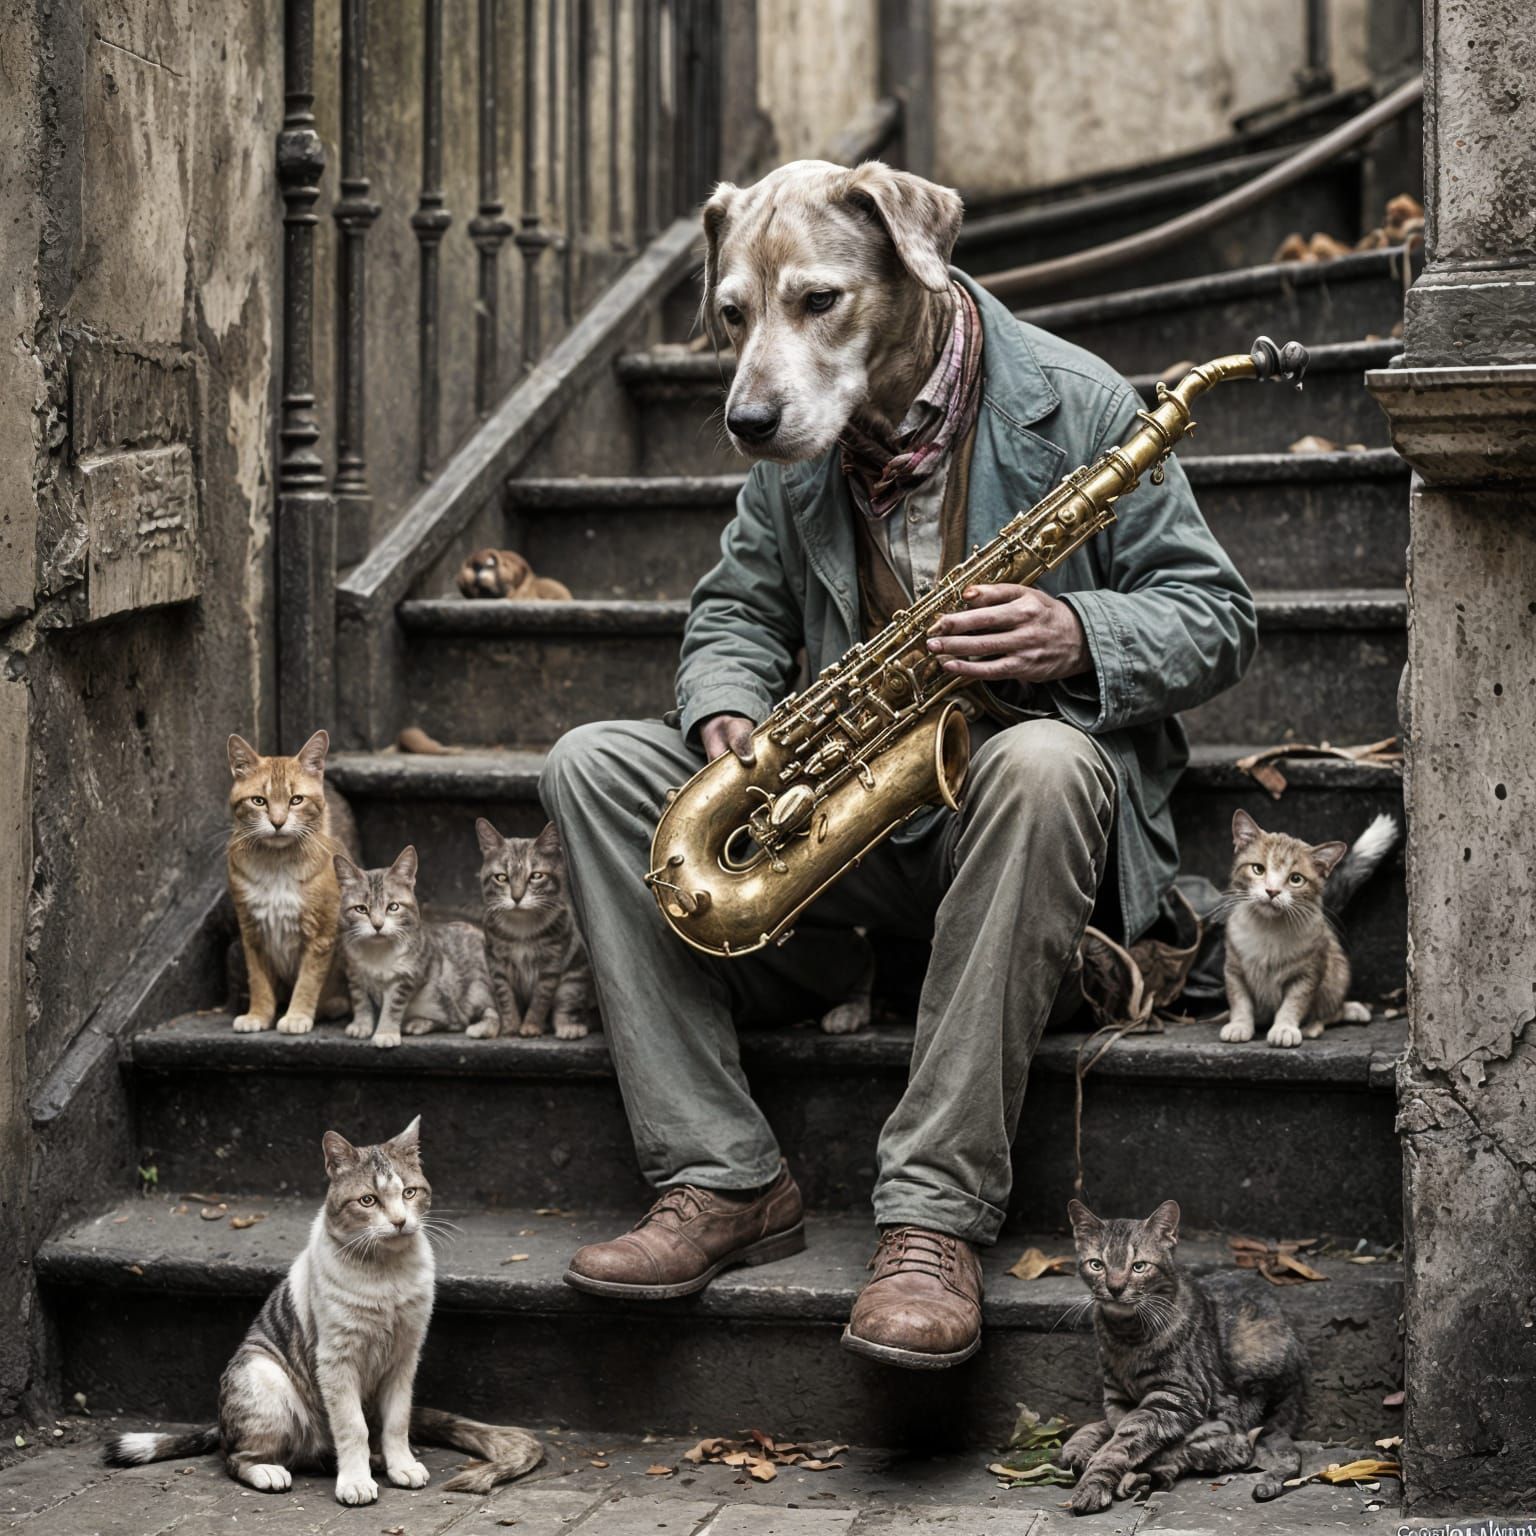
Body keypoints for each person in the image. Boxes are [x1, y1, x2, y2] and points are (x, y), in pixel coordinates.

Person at [538, 160, 1256, 1369]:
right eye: (739, 320)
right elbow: (732, 615)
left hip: (1026, 831)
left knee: (1041, 762)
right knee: (591, 764)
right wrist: (722, 713)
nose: (756, 378)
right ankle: (721, 1178)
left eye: (815, 304)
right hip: (858, 826)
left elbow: (1218, 612)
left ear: (910, 256)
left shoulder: (1079, 404)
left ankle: (930, 1216)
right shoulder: (801, 452)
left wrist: (1081, 632)